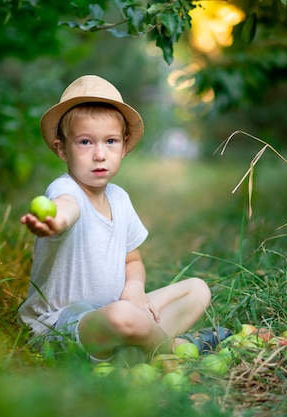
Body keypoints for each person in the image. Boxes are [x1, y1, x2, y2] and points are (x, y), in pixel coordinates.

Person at [18, 75, 230, 362]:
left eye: (110, 141)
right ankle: (173, 348)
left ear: (124, 145)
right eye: (84, 142)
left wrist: (134, 289)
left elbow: (133, 260)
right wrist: (55, 221)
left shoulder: (119, 198)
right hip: (60, 326)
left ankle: (130, 348)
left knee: (197, 289)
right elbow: (66, 208)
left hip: (116, 311)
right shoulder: (65, 190)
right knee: (122, 317)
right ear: (61, 148)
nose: (99, 154)